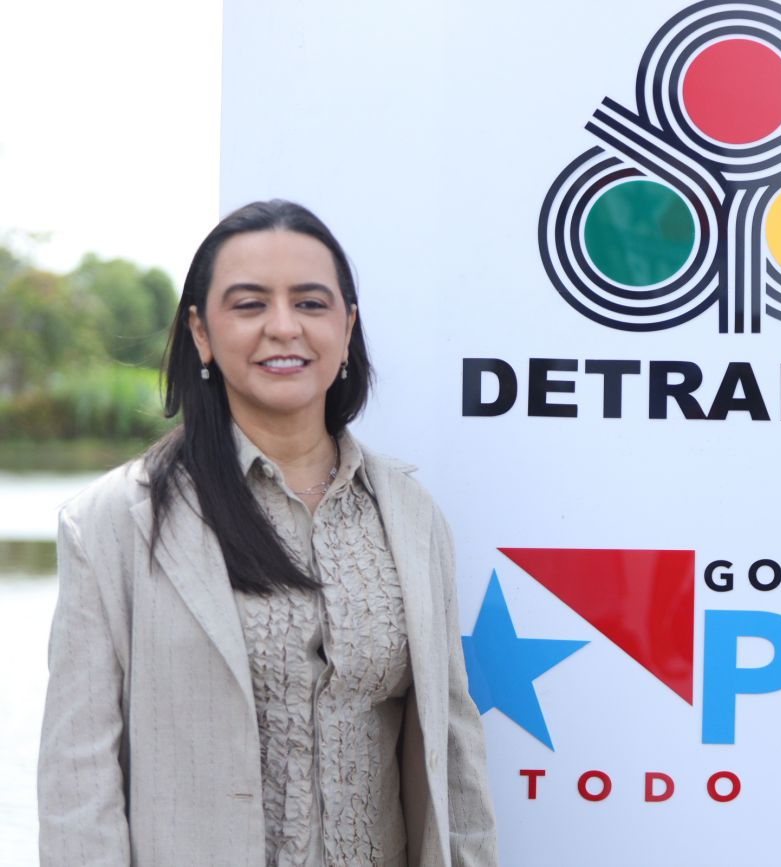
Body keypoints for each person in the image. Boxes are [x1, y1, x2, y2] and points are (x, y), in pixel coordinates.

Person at [37, 200, 497, 866]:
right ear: (201, 332)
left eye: (310, 303)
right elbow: (78, 785)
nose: (283, 327)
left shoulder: (410, 515)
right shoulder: (113, 521)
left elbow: (455, 752)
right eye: (250, 305)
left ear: (347, 326)